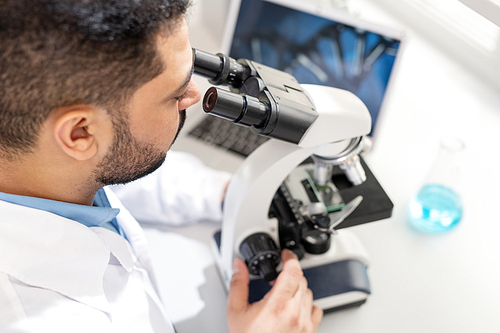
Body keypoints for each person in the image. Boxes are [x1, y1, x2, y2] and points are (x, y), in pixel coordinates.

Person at [0, 0, 323, 332]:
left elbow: (125, 170)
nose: (194, 94)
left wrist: (228, 193)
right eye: (175, 93)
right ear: (80, 133)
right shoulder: (37, 318)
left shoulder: (41, 162)